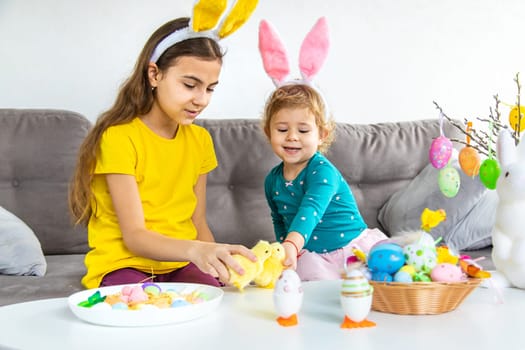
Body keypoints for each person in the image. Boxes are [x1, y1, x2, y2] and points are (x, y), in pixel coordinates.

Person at [69, 2, 259, 289]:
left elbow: (198, 223)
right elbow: (135, 236)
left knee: (217, 300)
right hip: (124, 263)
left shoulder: (200, 141)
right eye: (190, 85)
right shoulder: (119, 138)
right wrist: (196, 250)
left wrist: (220, 265)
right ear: (154, 75)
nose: (201, 99)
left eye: (210, 88)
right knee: (140, 307)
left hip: (181, 264)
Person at [259, 18, 387, 281]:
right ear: (268, 132)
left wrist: (292, 244)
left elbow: (311, 209)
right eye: (282, 129)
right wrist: (286, 251)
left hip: (352, 249)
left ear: (322, 135)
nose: (292, 137)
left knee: (382, 270)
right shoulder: (272, 180)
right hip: (314, 256)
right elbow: (279, 219)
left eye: (303, 130)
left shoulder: (322, 171)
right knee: (297, 286)